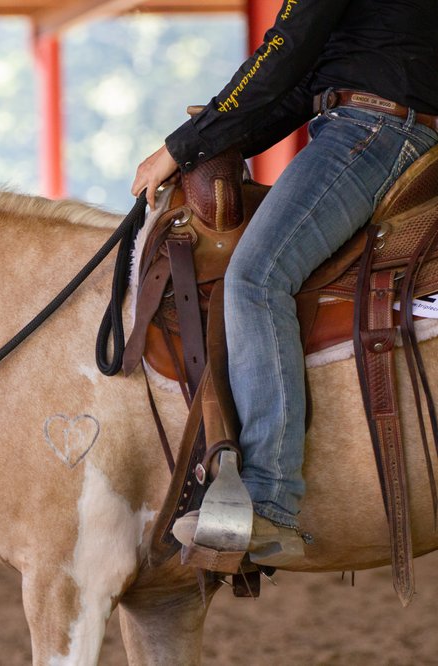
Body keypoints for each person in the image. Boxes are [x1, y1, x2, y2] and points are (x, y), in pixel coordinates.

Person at [131, 1, 438, 565]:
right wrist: (215, 136)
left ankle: (270, 500)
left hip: (369, 130)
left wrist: (179, 146)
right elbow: (299, 82)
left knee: (255, 278)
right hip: (379, 123)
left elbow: (283, 51)